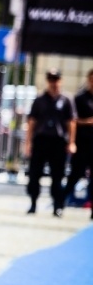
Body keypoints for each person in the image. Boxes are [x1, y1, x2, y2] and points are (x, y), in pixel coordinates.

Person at [25, 69, 76, 217]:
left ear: (60, 80)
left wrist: (71, 142)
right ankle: (33, 202)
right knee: (35, 174)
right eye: (51, 80)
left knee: (58, 175)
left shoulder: (66, 100)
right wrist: (28, 143)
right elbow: (32, 122)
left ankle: (57, 206)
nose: (54, 83)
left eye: (56, 79)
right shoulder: (40, 99)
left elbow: (71, 122)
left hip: (58, 141)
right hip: (41, 140)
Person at [62, 68, 93, 219]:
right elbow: (73, 120)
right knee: (75, 175)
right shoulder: (80, 99)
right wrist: (87, 122)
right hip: (82, 144)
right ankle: (60, 203)